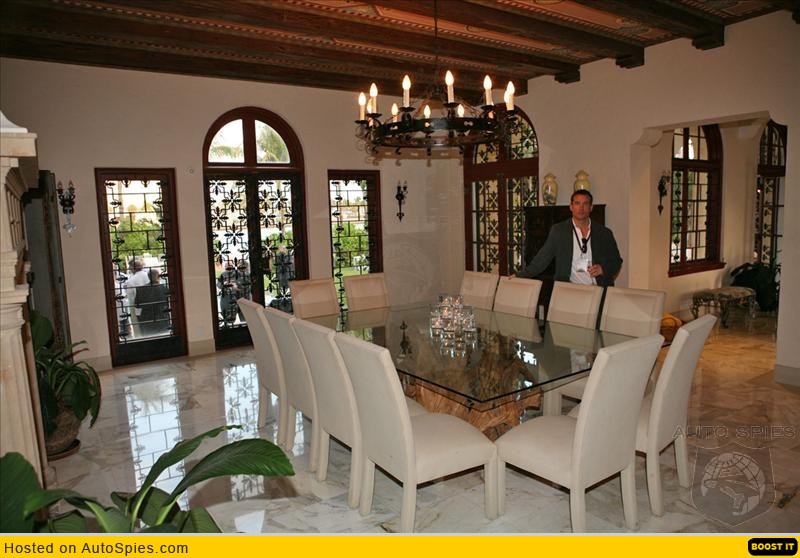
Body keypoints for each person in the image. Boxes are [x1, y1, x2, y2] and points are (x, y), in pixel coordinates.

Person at [517, 189, 622, 287]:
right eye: (577, 203)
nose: (581, 208)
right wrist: (519, 276)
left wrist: (603, 269)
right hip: (568, 290)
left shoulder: (604, 233)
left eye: (585, 204)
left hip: (598, 289)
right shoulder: (558, 231)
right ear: (571, 207)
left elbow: (617, 262)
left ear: (591, 207)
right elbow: (541, 260)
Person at [135, 268, 171, 336]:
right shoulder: (164, 288)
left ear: (148, 277)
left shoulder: (140, 289)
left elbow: (137, 306)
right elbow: (169, 303)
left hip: (147, 321)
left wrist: (139, 319)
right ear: (158, 277)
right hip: (162, 320)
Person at [123, 258, 150, 337]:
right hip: (150, 305)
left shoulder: (131, 281)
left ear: (132, 267)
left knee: (138, 328)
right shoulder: (148, 276)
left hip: (136, 307)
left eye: (130, 267)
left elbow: (129, 295)